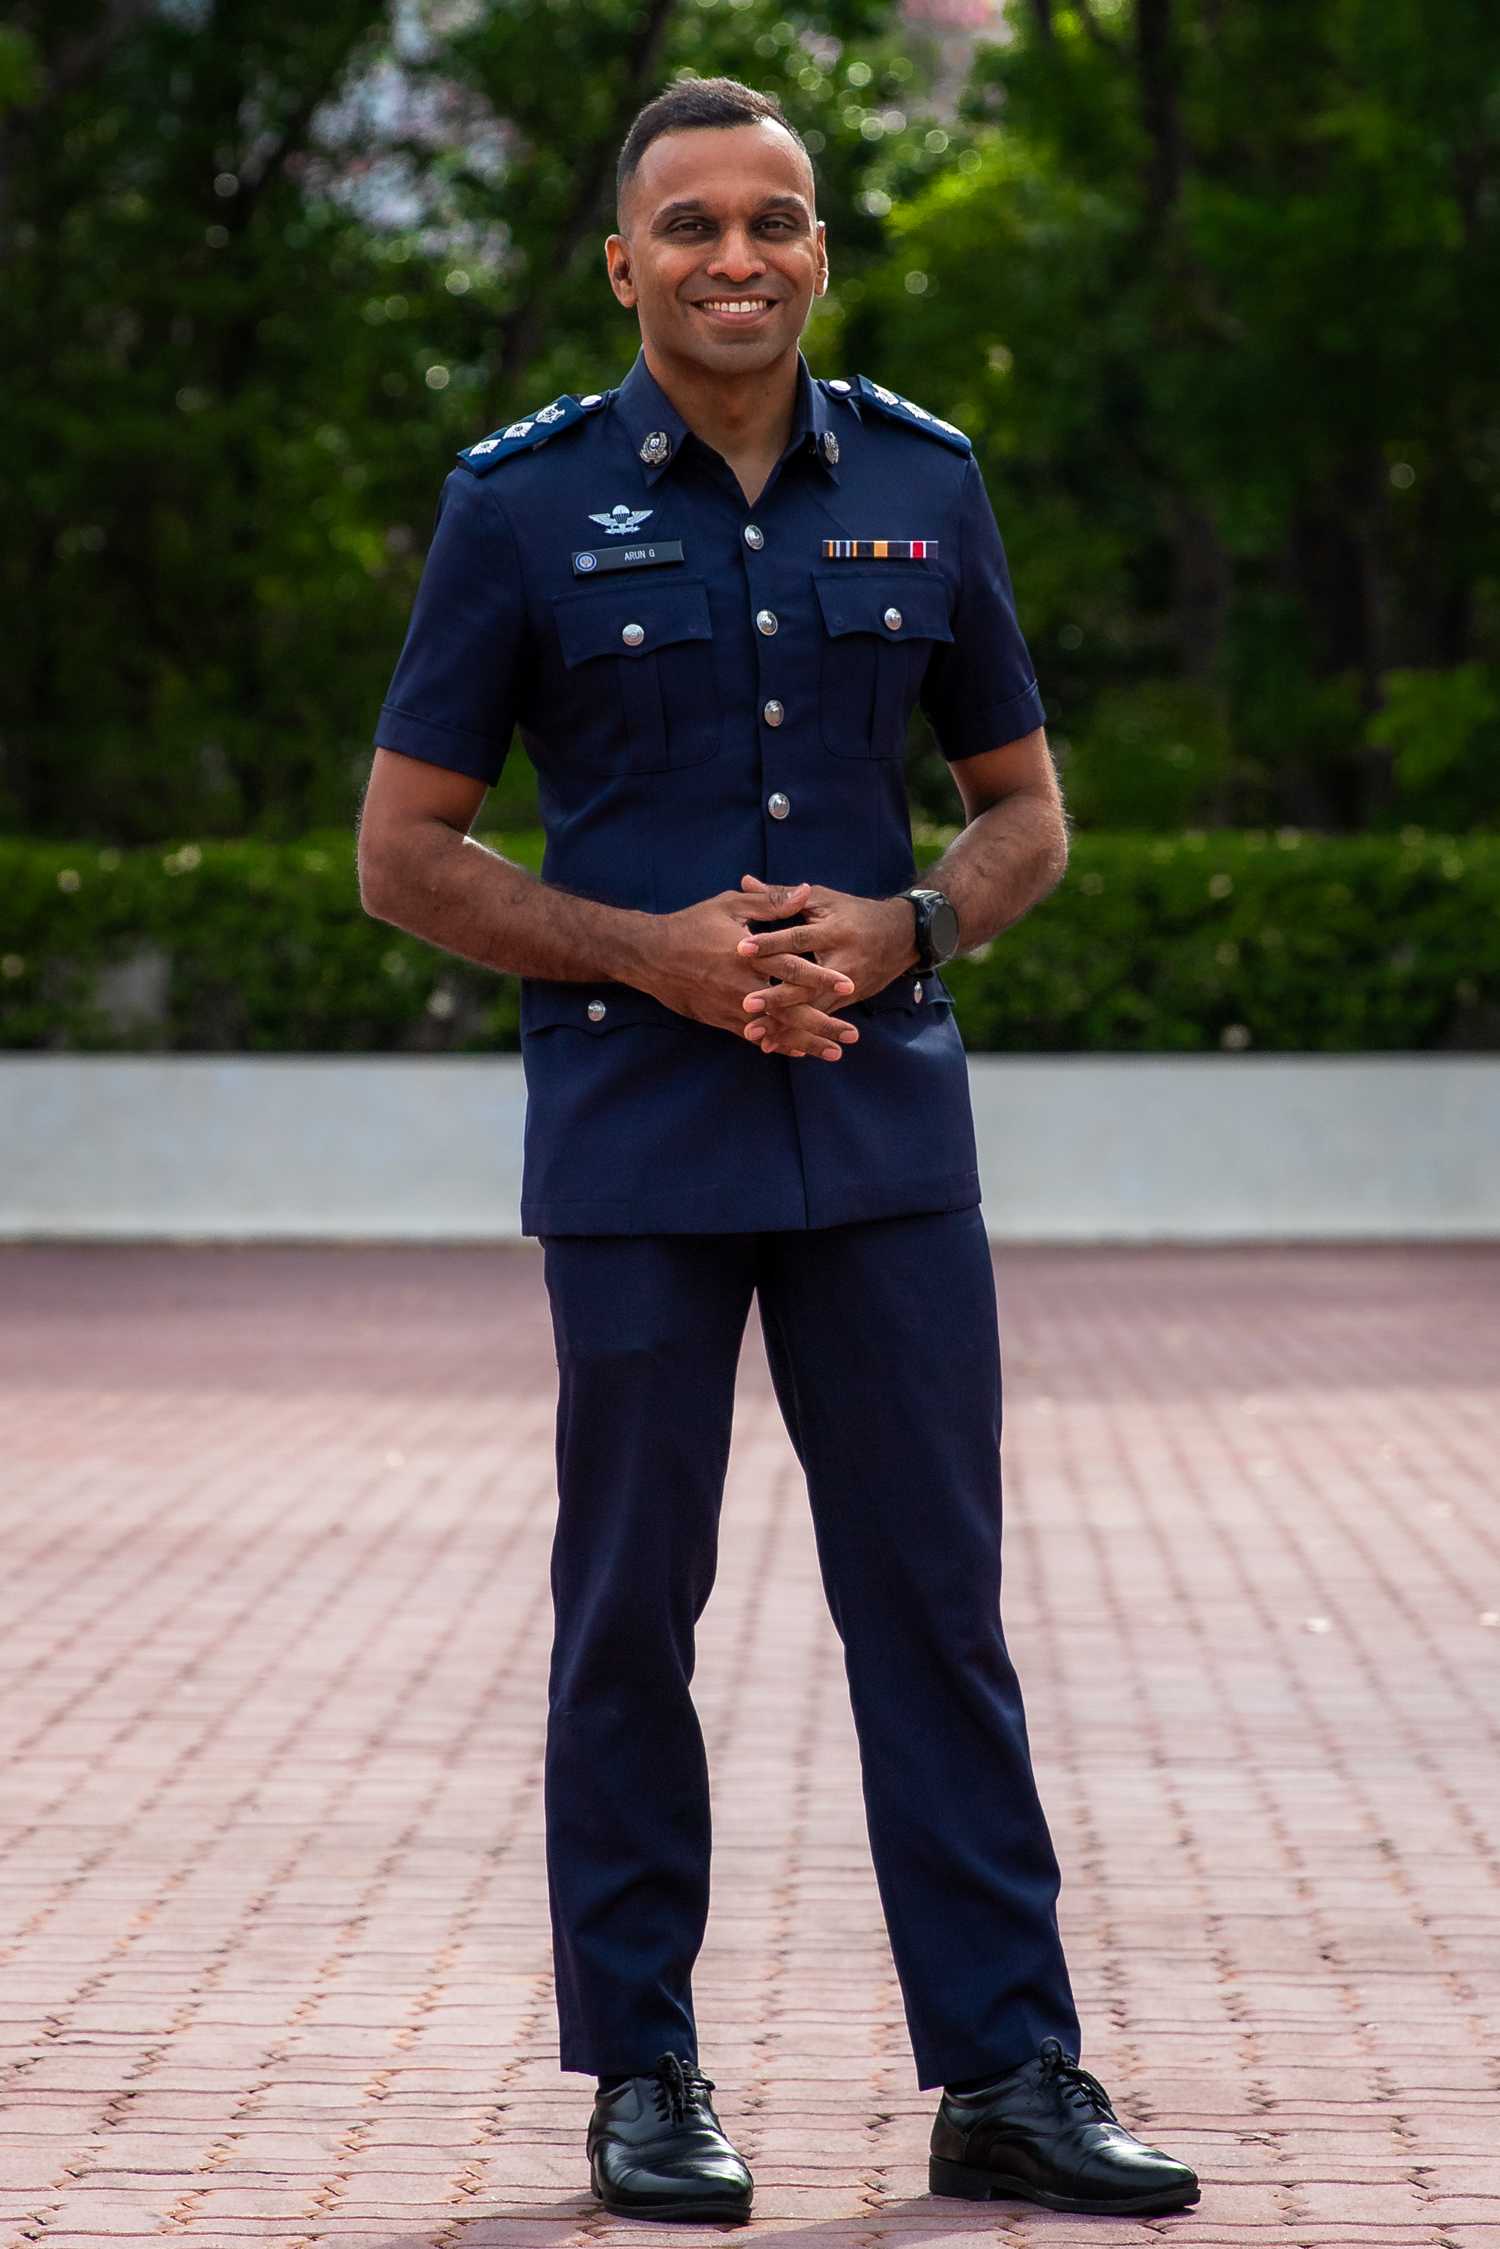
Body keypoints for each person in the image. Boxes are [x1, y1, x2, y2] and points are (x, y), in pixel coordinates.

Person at [356, 75, 1200, 2227]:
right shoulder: (519, 511)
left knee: (936, 1609)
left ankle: (1008, 2072)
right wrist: (649, 957)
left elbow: (1026, 812)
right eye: (694, 224)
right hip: (638, 1147)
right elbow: (402, 857)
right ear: (622, 260)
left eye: (780, 220)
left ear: (819, 249)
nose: (739, 256)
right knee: (631, 1607)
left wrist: (917, 919)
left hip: (886, 1142)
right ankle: (643, 2073)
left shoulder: (926, 480)